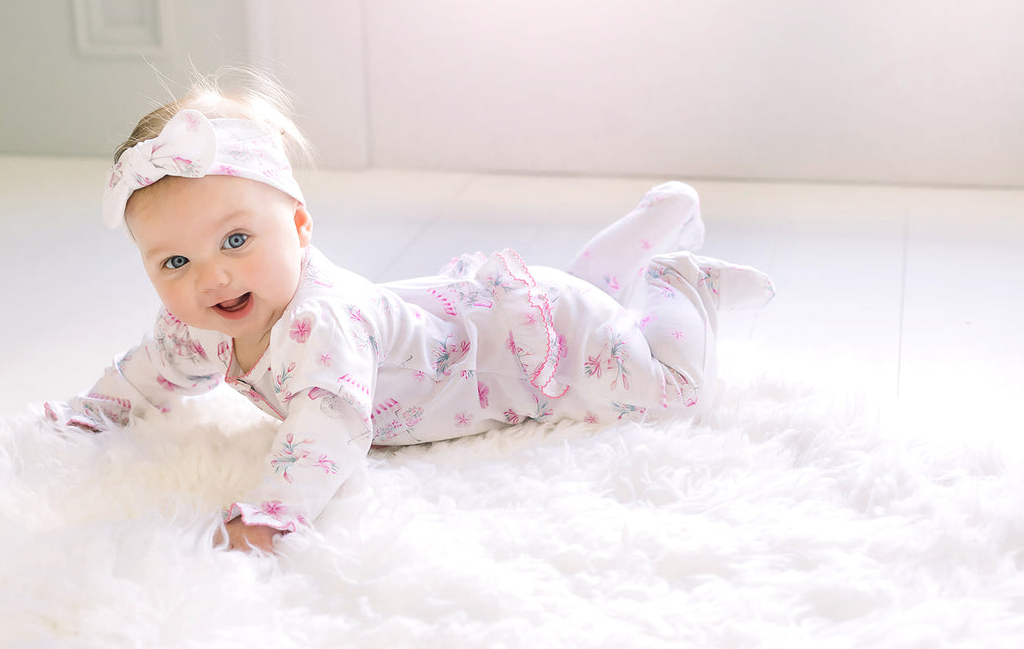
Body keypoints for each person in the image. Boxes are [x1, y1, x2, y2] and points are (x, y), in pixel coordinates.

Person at [46, 74, 775, 554]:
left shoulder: (318, 325)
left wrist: (269, 512)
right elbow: (149, 371)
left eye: (237, 239)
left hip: (528, 353)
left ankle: (675, 281)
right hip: (508, 316)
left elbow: (327, 429)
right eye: (174, 263)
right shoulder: (203, 323)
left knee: (672, 394)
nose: (212, 275)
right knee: (594, 312)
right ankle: (638, 240)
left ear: (299, 229)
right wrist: (93, 410)